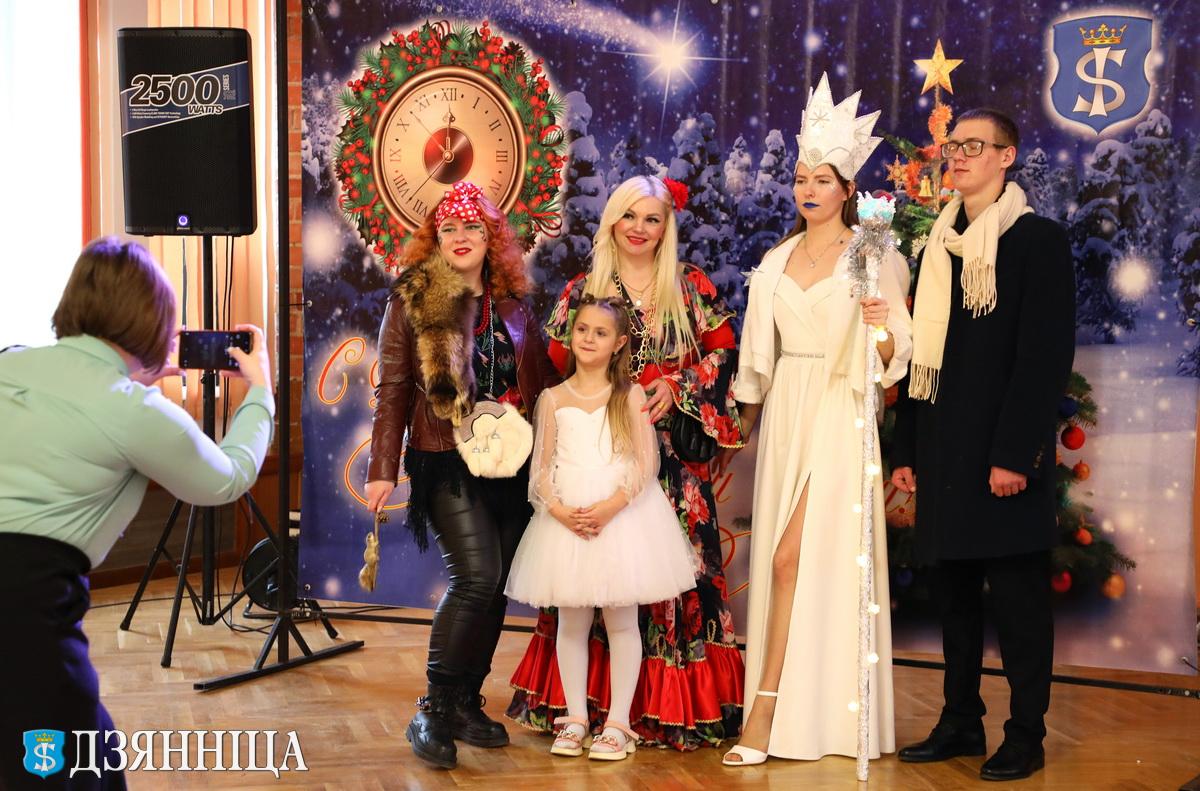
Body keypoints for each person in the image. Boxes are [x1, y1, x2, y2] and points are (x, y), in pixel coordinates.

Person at [0, 237, 275, 791]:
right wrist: (261, 392)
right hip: (24, 614)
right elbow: (226, 478)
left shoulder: (11, 359)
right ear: (154, 324)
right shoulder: (134, 409)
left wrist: (136, 380)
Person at [507, 175, 746, 751]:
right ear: (612, 221)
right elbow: (557, 367)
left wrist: (678, 385)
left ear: (666, 228)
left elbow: (726, 354)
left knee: (667, 582)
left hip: (671, 469)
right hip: (595, 462)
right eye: (629, 216)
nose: (639, 228)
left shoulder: (688, 285)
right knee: (585, 587)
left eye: (652, 219)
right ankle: (581, 713)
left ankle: (658, 712)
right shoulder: (583, 289)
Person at [718, 73, 909, 766]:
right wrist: (739, 429)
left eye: (822, 179)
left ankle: (768, 714)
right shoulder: (774, 261)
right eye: (801, 177)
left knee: (792, 558)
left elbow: (895, 355)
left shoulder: (874, 254)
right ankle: (804, 719)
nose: (808, 188)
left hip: (839, 409)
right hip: (787, 412)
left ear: (847, 189)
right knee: (789, 561)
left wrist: (880, 325)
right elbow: (755, 360)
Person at [889, 108, 1076, 782]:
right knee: (956, 598)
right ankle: (960, 719)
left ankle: (1026, 733)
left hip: (1003, 456)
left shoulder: (1037, 241)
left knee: (1020, 605)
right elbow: (922, 356)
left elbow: (1043, 359)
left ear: (1006, 156)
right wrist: (908, 451)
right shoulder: (937, 246)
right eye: (953, 146)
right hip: (945, 453)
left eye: (975, 145)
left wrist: (1014, 455)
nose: (958, 156)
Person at [364, 181, 558, 770]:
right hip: (444, 456)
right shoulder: (413, 300)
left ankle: (466, 701)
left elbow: (543, 386)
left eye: (473, 227)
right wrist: (381, 468)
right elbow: (393, 388)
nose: (461, 237)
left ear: (491, 236)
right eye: (448, 228)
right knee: (476, 576)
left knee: (496, 585)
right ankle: (434, 706)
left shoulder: (515, 304)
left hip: (511, 460)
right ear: (435, 239)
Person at [504, 296, 698, 761]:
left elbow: (646, 463)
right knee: (571, 622)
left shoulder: (629, 396)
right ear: (571, 335)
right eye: (582, 330)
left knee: (621, 622)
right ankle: (575, 718)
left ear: (619, 343)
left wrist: (611, 507)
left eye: (601, 333)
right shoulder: (553, 399)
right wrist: (558, 510)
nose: (589, 338)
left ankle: (617, 723)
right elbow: (540, 470)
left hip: (620, 519)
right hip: (567, 519)